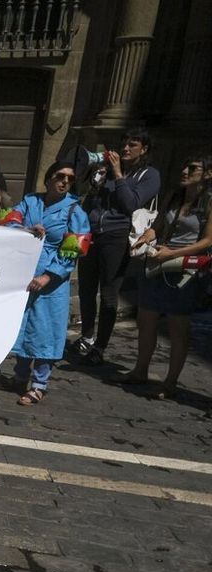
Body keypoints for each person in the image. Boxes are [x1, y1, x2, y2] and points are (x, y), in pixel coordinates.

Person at [121, 155, 212, 399]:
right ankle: (140, 370)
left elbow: (207, 241)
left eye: (192, 168)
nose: (184, 170)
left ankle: (171, 381)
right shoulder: (174, 196)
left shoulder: (209, 203)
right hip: (158, 262)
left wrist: (174, 253)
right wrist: (146, 237)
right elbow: (158, 226)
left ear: (207, 174)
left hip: (184, 269)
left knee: (177, 327)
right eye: (184, 165)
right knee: (146, 319)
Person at [72, 127, 162, 366]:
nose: (125, 148)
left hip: (117, 237)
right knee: (86, 289)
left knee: (109, 293)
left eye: (133, 145)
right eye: (124, 143)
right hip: (92, 234)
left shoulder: (149, 175)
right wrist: (97, 178)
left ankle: (100, 346)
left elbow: (130, 203)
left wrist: (119, 175)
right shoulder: (108, 172)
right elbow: (90, 198)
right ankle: (86, 336)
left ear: (144, 149)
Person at [3, 162, 90, 405]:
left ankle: (39, 383)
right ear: (49, 177)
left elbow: (74, 251)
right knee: (23, 326)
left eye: (70, 179)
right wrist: (25, 228)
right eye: (60, 176)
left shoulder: (74, 212)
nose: (64, 182)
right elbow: (6, 220)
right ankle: (19, 376)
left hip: (52, 283)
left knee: (45, 330)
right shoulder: (31, 201)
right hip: (25, 275)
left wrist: (48, 276)